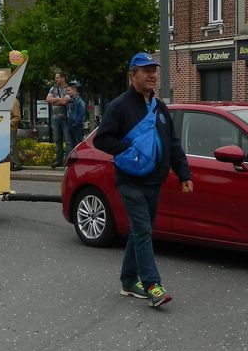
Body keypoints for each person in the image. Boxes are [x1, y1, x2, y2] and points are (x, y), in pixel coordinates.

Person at [93, 52, 192, 308]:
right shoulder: (120, 106)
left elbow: (172, 143)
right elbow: (101, 139)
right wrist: (129, 148)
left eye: (154, 70)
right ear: (132, 75)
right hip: (130, 180)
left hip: (154, 181)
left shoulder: (159, 107)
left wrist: (184, 173)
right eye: (146, 70)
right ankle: (152, 285)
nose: (152, 75)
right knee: (144, 231)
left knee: (139, 232)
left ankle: (128, 281)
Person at [46, 70, 70, 167]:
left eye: (57, 78)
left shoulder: (68, 89)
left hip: (65, 118)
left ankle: (68, 160)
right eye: (55, 78)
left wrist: (54, 101)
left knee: (68, 140)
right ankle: (59, 160)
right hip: (55, 118)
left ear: (63, 78)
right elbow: (48, 99)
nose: (55, 79)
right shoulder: (53, 89)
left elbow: (65, 102)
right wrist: (59, 99)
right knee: (57, 140)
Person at [66, 80, 87, 153]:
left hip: (77, 126)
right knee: (72, 145)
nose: (67, 92)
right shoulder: (72, 100)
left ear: (74, 90)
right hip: (72, 125)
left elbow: (81, 114)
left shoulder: (79, 101)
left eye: (69, 90)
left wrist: (75, 124)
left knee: (78, 144)